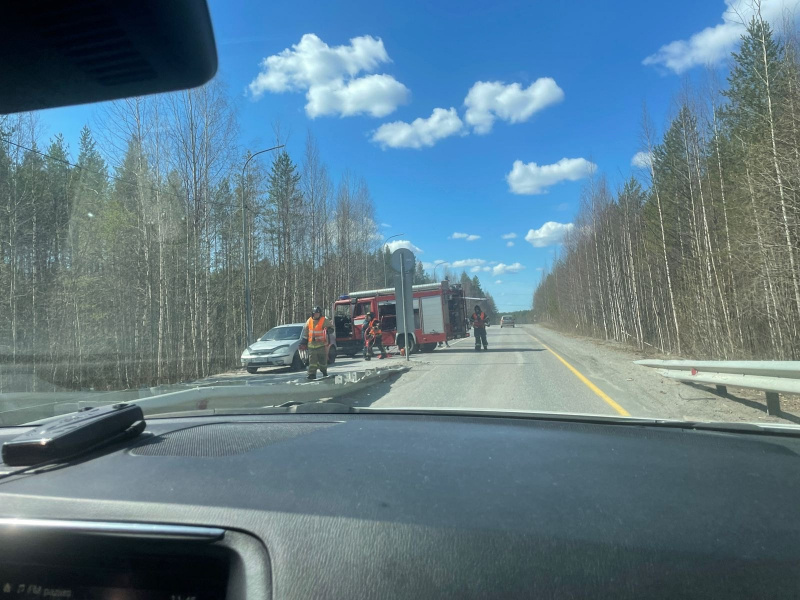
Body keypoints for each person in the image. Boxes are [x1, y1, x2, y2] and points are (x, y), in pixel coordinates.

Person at [299, 306, 334, 379]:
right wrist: (303, 342)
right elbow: (306, 333)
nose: (316, 315)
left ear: (320, 314)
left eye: (318, 314)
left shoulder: (324, 320)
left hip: (321, 345)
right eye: (315, 314)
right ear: (313, 314)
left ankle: (324, 372)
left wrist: (329, 330)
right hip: (311, 345)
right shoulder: (309, 321)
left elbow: (331, 328)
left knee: (323, 361)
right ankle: (312, 374)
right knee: (312, 362)